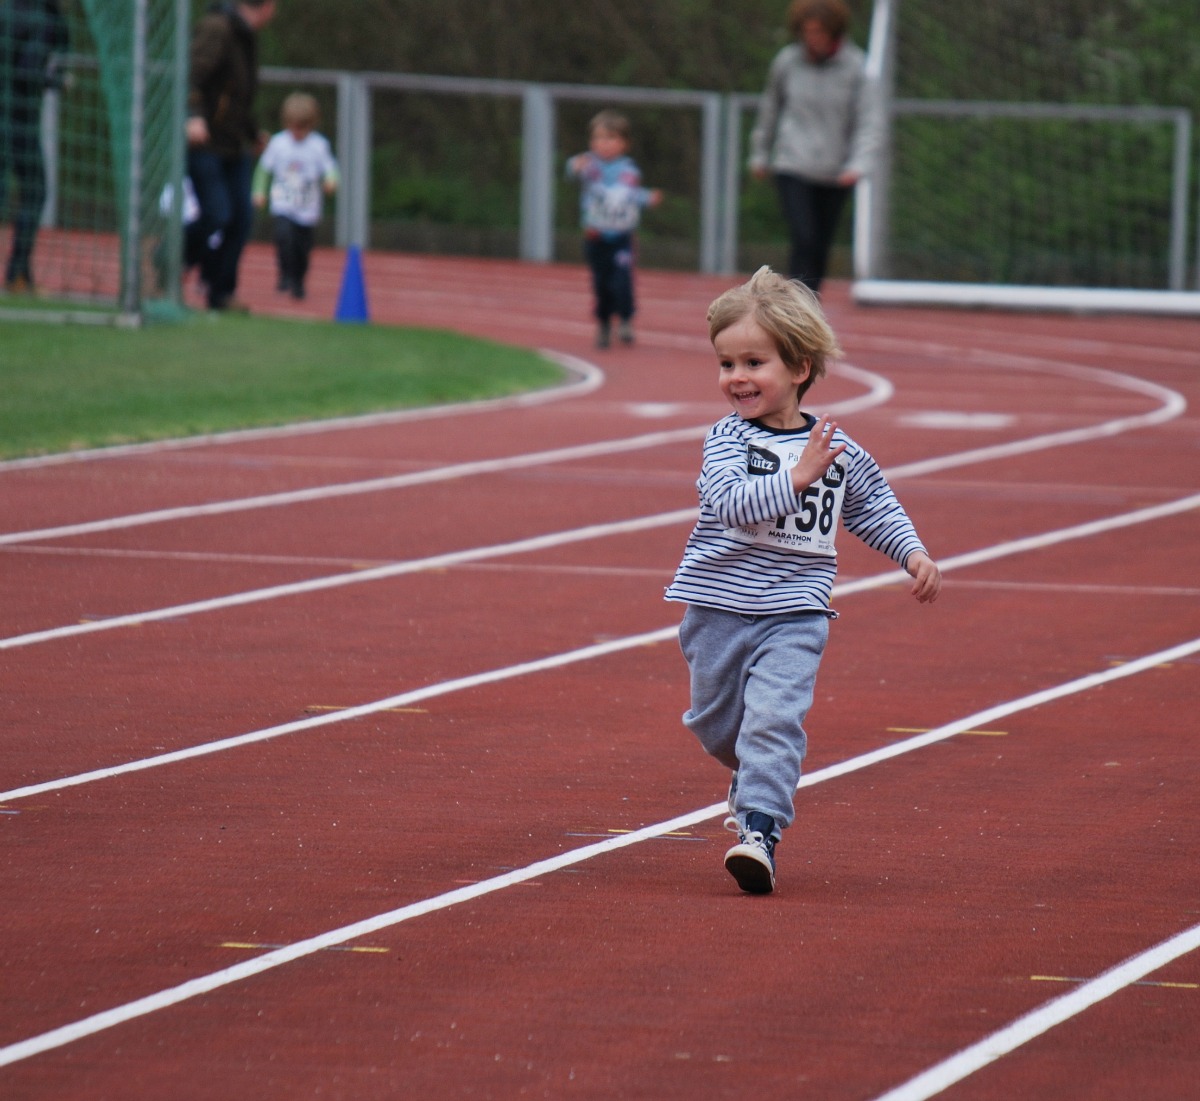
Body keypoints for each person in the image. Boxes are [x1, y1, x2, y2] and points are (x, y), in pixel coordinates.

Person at [665, 266, 941, 894]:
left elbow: (871, 506)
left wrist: (913, 553)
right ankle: (755, 774)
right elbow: (730, 504)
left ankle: (758, 831)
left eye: (754, 362)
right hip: (717, 607)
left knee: (774, 721)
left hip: (796, 610)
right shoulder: (726, 441)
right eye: (725, 363)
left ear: (800, 368)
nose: (737, 377)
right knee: (716, 725)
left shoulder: (834, 447)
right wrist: (795, 476)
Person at [748, 0, 881, 294]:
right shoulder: (786, 62)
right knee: (804, 237)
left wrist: (859, 164)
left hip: (836, 170)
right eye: (807, 32)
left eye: (819, 32)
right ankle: (795, 306)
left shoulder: (857, 66)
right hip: (792, 163)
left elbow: (868, 121)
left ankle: (810, 305)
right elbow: (770, 108)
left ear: (834, 32)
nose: (813, 39)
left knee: (821, 244)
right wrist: (760, 152)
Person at [185, 0, 277, 311]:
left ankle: (220, 292)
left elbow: (235, 94)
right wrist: (193, 115)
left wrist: (253, 133)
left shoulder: (244, 34)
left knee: (240, 220)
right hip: (204, 140)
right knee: (217, 213)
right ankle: (169, 262)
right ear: (265, 6)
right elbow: (191, 75)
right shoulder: (217, 28)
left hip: (233, 143)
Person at [565, 109, 662, 349]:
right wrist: (574, 166)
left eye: (610, 139)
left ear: (624, 143)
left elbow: (629, 194)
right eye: (598, 139)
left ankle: (626, 317)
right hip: (596, 236)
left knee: (621, 281)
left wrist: (647, 198)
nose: (604, 144)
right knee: (601, 283)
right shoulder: (589, 165)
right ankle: (604, 323)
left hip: (621, 237)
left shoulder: (628, 170)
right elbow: (572, 171)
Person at [0, 0, 68, 294]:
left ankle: (20, 274)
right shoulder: (42, 19)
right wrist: (55, 81)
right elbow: (28, 72)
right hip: (18, 121)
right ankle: (17, 273)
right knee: (35, 192)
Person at [252, 91, 339, 300]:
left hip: (307, 206)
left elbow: (330, 168)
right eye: (294, 126)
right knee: (284, 238)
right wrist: (258, 191)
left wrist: (331, 181)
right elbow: (264, 169)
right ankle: (285, 274)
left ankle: (299, 279)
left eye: (303, 127)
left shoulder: (319, 145)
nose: (298, 132)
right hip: (283, 202)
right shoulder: (278, 143)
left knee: (302, 247)